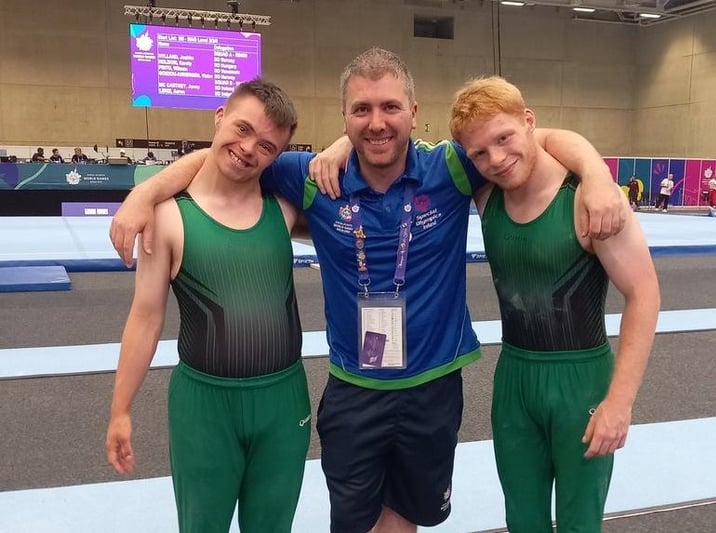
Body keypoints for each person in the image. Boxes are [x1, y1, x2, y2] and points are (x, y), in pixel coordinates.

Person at [108, 48, 628, 533]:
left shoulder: (451, 168)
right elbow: (228, 157)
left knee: (409, 514)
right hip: (355, 388)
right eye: (361, 109)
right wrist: (146, 190)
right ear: (344, 118)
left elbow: (534, 137)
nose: (377, 121)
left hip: (432, 384)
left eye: (389, 108)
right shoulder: (312, 179)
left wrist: (596, 173)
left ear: (413, 112)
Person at [449, 76, 659, 533]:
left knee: (579, 523)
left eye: (504, 139)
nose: (497, 160)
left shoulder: (589, 200)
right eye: (479, 153)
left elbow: (644, 294)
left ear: (529, 122)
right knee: (522, 520)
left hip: (581, 382)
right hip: (514, 382)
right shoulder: (486, 195)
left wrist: (620, 403)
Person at [105, 79, 311, 532]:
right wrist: (120, 409)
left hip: (283, 401)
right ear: (218, 117)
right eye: (240, 129)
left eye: (266, 146)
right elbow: (145, 318)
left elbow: (360, 209)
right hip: (204, 407)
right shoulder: (168, 218)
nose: (247, 149)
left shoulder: (285, 210)